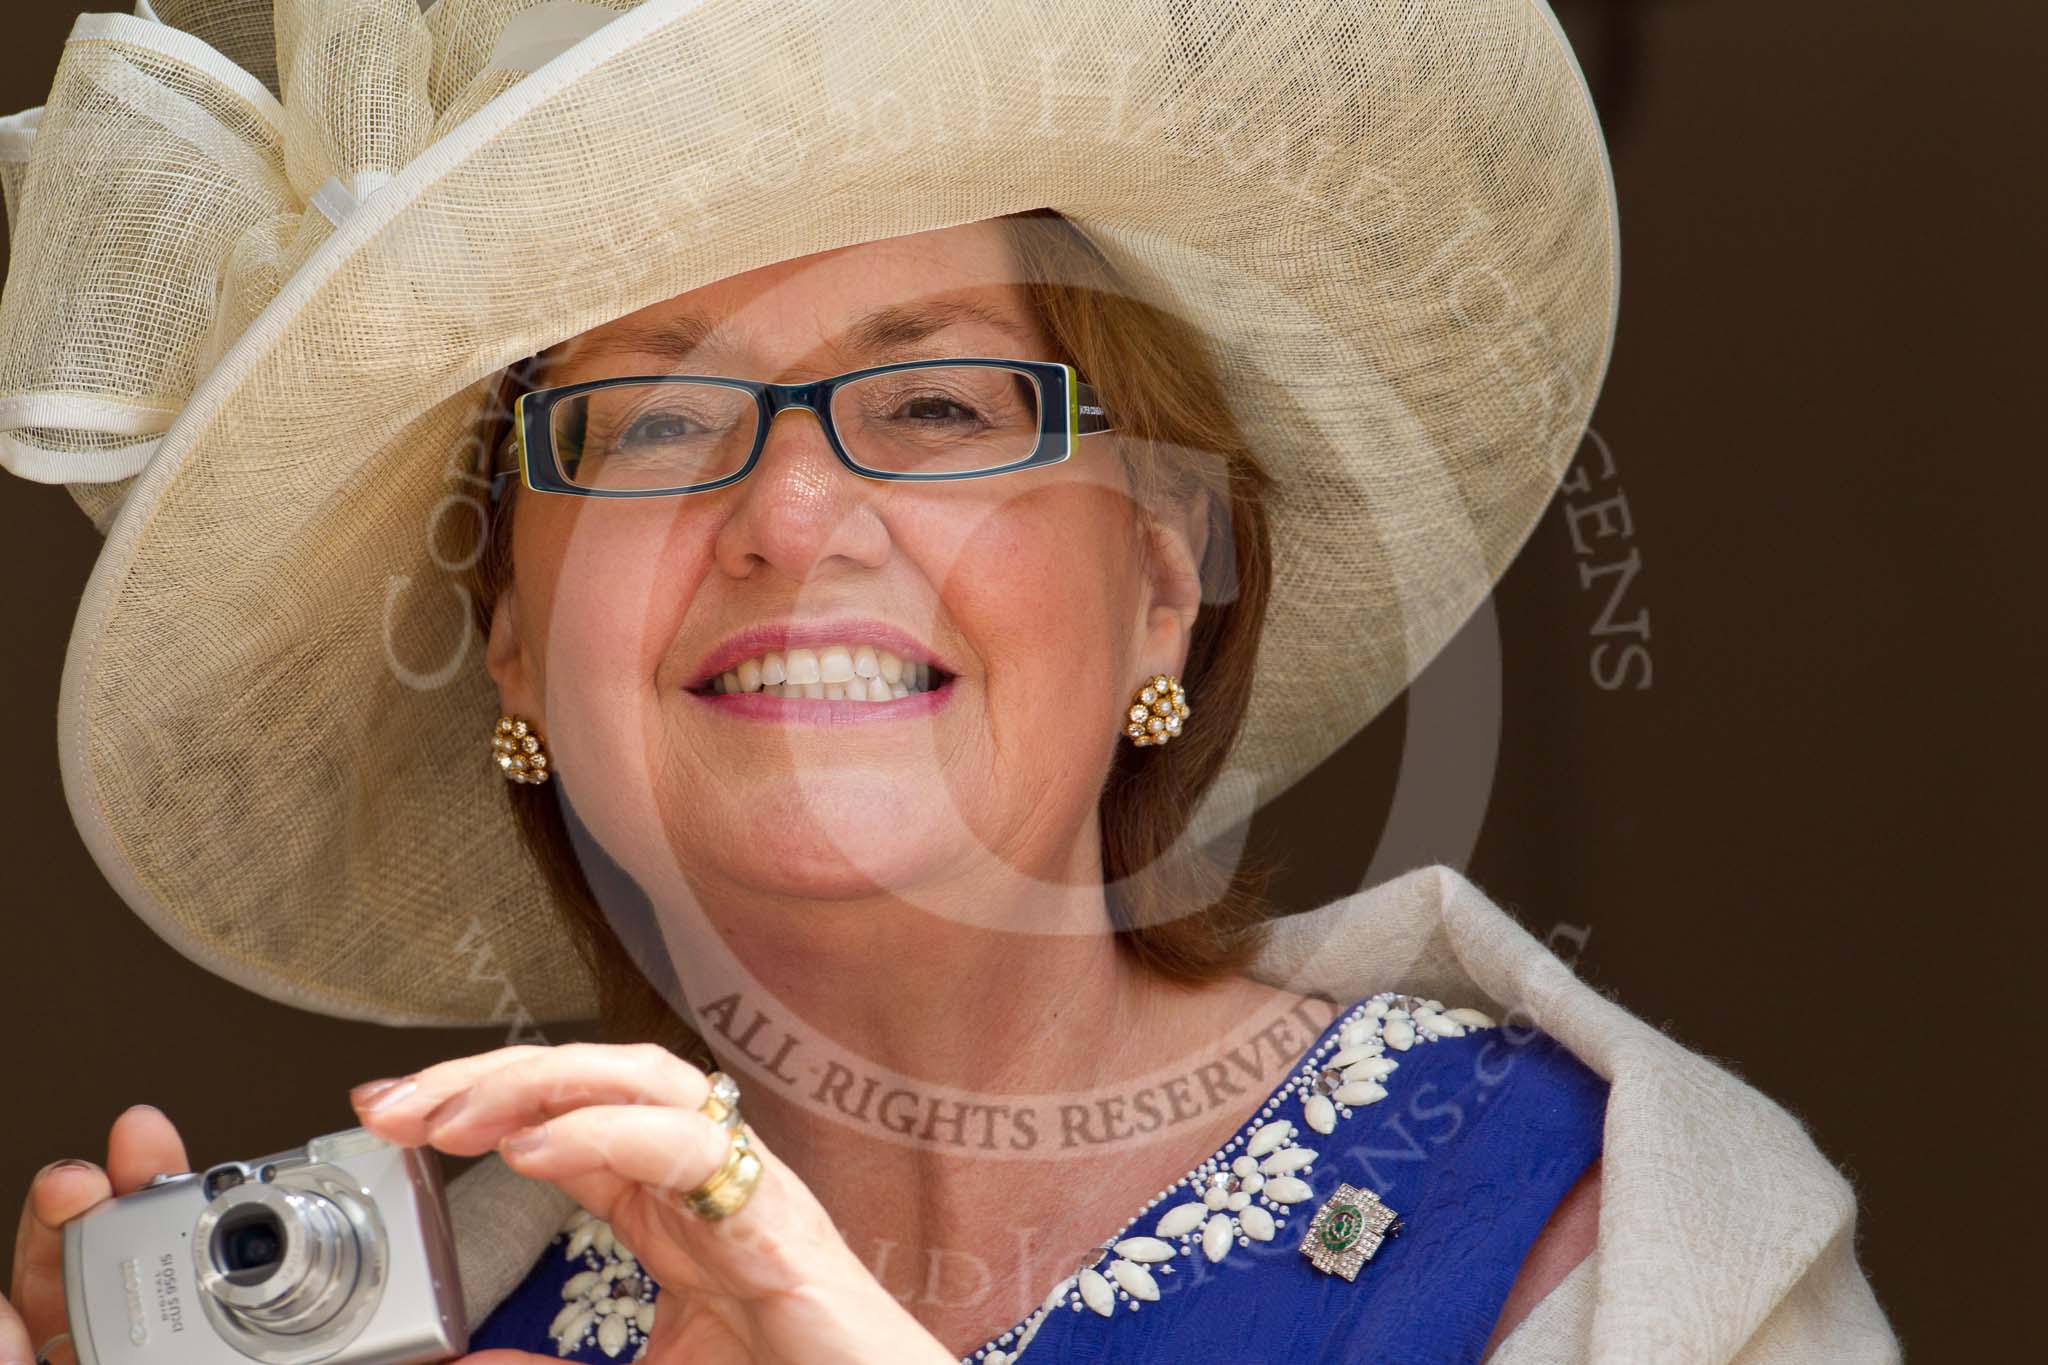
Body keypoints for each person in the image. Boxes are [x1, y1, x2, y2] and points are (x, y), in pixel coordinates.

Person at [0, 1, 1898, 1362]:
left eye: (932, 400)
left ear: (1165, 585)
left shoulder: (1602, 1242)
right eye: (653, 419)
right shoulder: (432, 1319)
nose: (792, 507)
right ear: (514, 641)